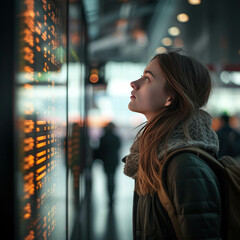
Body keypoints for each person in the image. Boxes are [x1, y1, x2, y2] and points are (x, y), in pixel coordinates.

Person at [123, 51, 221, 240]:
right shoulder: (154, 154)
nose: (134, 83)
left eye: (147, 79)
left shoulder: (185, 166)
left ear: (171, 97)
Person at [97, 122, 121, 206]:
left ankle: (109, 198)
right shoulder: (116, 138)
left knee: (107, 180)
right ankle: (112, 198)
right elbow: (118, 147)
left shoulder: (103, 138)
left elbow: (100, 150)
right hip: (114, 161)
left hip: (106, 161)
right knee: (113, 179)